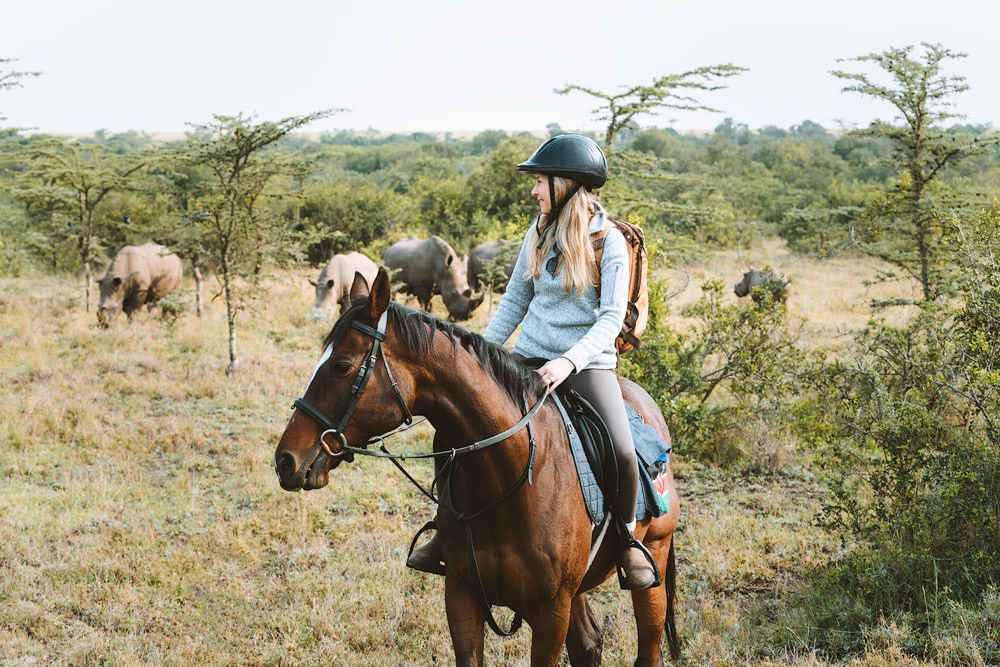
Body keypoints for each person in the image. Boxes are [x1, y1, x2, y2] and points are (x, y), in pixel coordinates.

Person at [406, 133, 656, 590]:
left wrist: (568, 363)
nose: (535, 190)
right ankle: (447, 531)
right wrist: (474, 356)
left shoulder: (610, 242)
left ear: (567, 184)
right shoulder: (537, 231)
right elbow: (515, 300)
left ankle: (627, 543)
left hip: (587, 365)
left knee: (621, 450)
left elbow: (610, 319)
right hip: (526, 358)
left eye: (541, 180)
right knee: (452, 429)